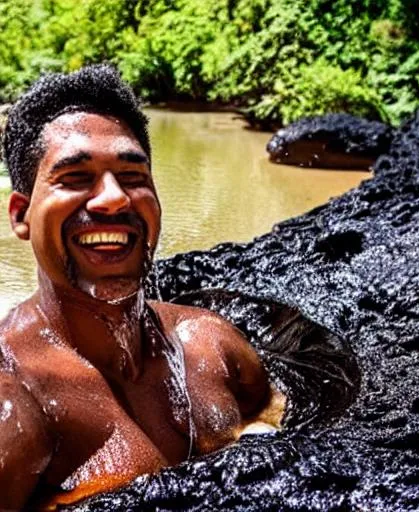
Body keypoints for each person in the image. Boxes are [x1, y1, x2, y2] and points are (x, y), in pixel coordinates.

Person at [0, 65, 285, 510]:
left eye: (133, 178)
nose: (114, 198)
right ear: (21, 215)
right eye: (75, 178)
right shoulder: (16, 406)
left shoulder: (213, 346)